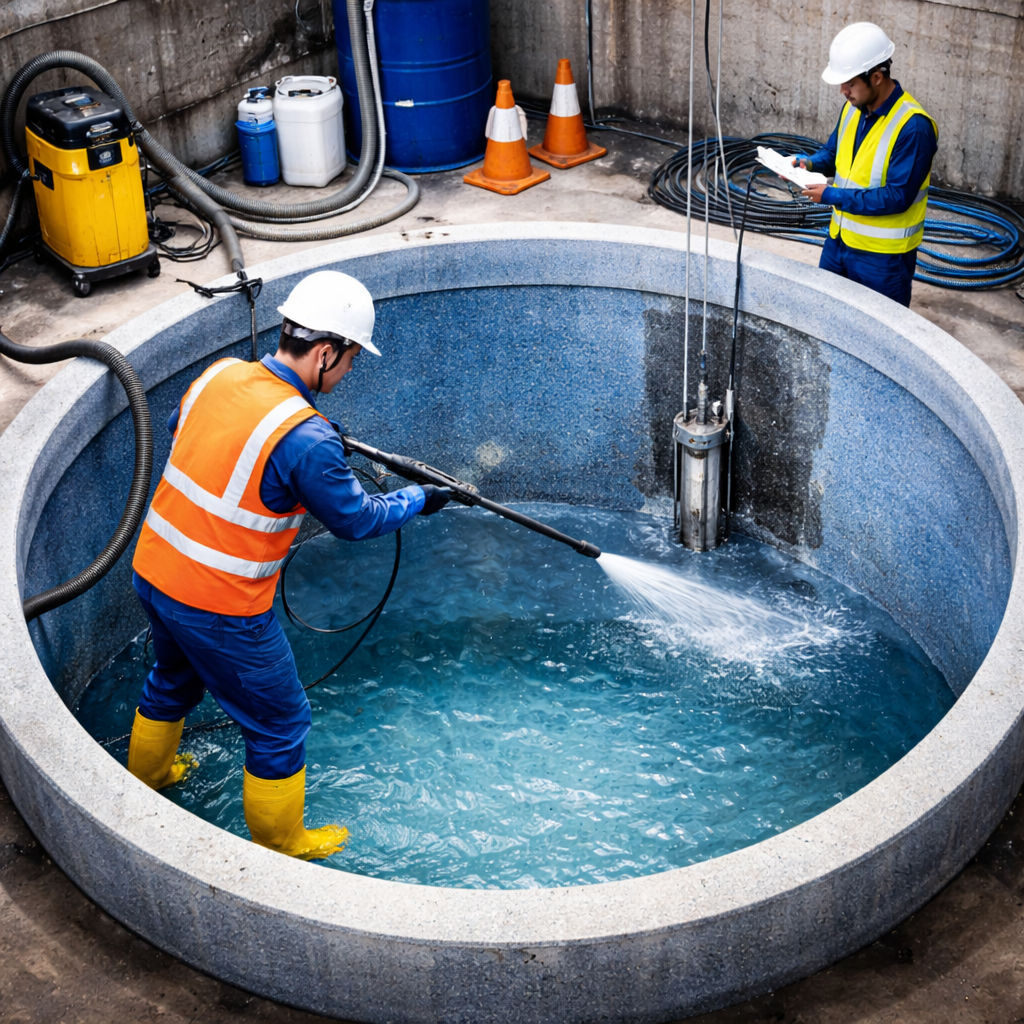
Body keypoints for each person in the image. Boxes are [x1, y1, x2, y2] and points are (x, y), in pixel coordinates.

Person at [126, 270, 452, 860]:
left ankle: (148, 779)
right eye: (351, 359)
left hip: (154, 571)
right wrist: (417, 499)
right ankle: (283, 846)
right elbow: (356, 520)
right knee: (280, 723)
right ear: (325, 352)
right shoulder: (307, 440)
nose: (349, 371)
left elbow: (187, 432)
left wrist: (307, 440)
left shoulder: (220, 374)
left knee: (172, 680)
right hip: (220, 606)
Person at [791, 22, 937, 307]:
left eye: (850, 83)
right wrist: (808, 164)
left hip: (883, 260)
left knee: (879, 331)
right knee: (823, 316)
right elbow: (832, 154)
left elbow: (897, 197)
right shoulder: (853, 108)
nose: (843, 91)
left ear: (877, 77)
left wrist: (831, 195)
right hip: (839, 244)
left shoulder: (914, 128)